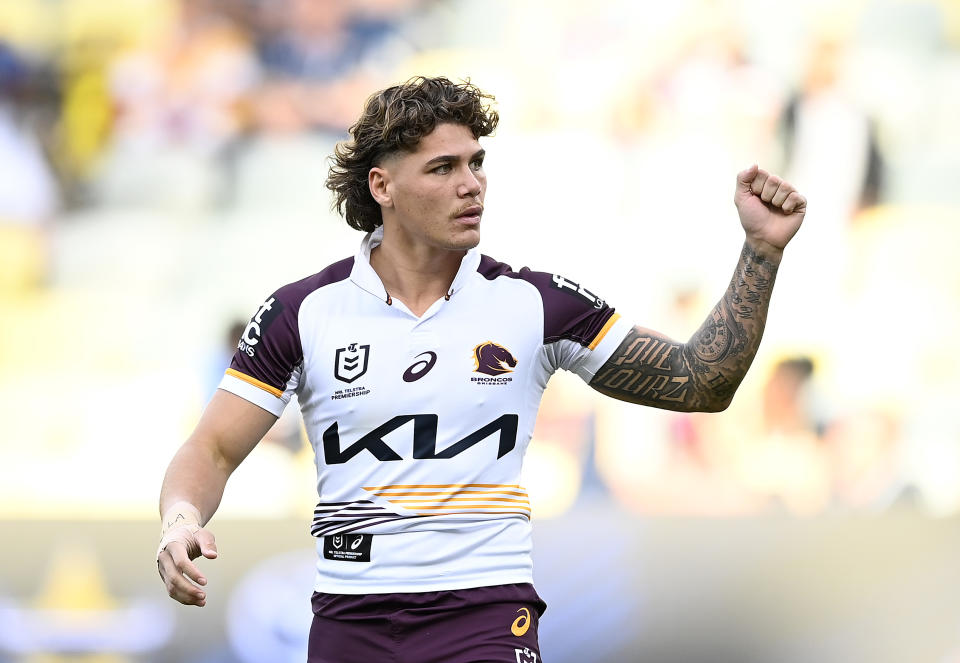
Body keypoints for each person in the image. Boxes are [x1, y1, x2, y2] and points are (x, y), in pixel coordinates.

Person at [157, 75, 806, 662]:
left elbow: (701, 380)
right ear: (382, 185)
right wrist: (181, 521)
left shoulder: (536, 303)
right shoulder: (303, 312)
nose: (471, 184)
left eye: (476, 163)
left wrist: (760, 252)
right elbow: (210, 449)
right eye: (442, 167)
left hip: (484, 619)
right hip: (349, 621)